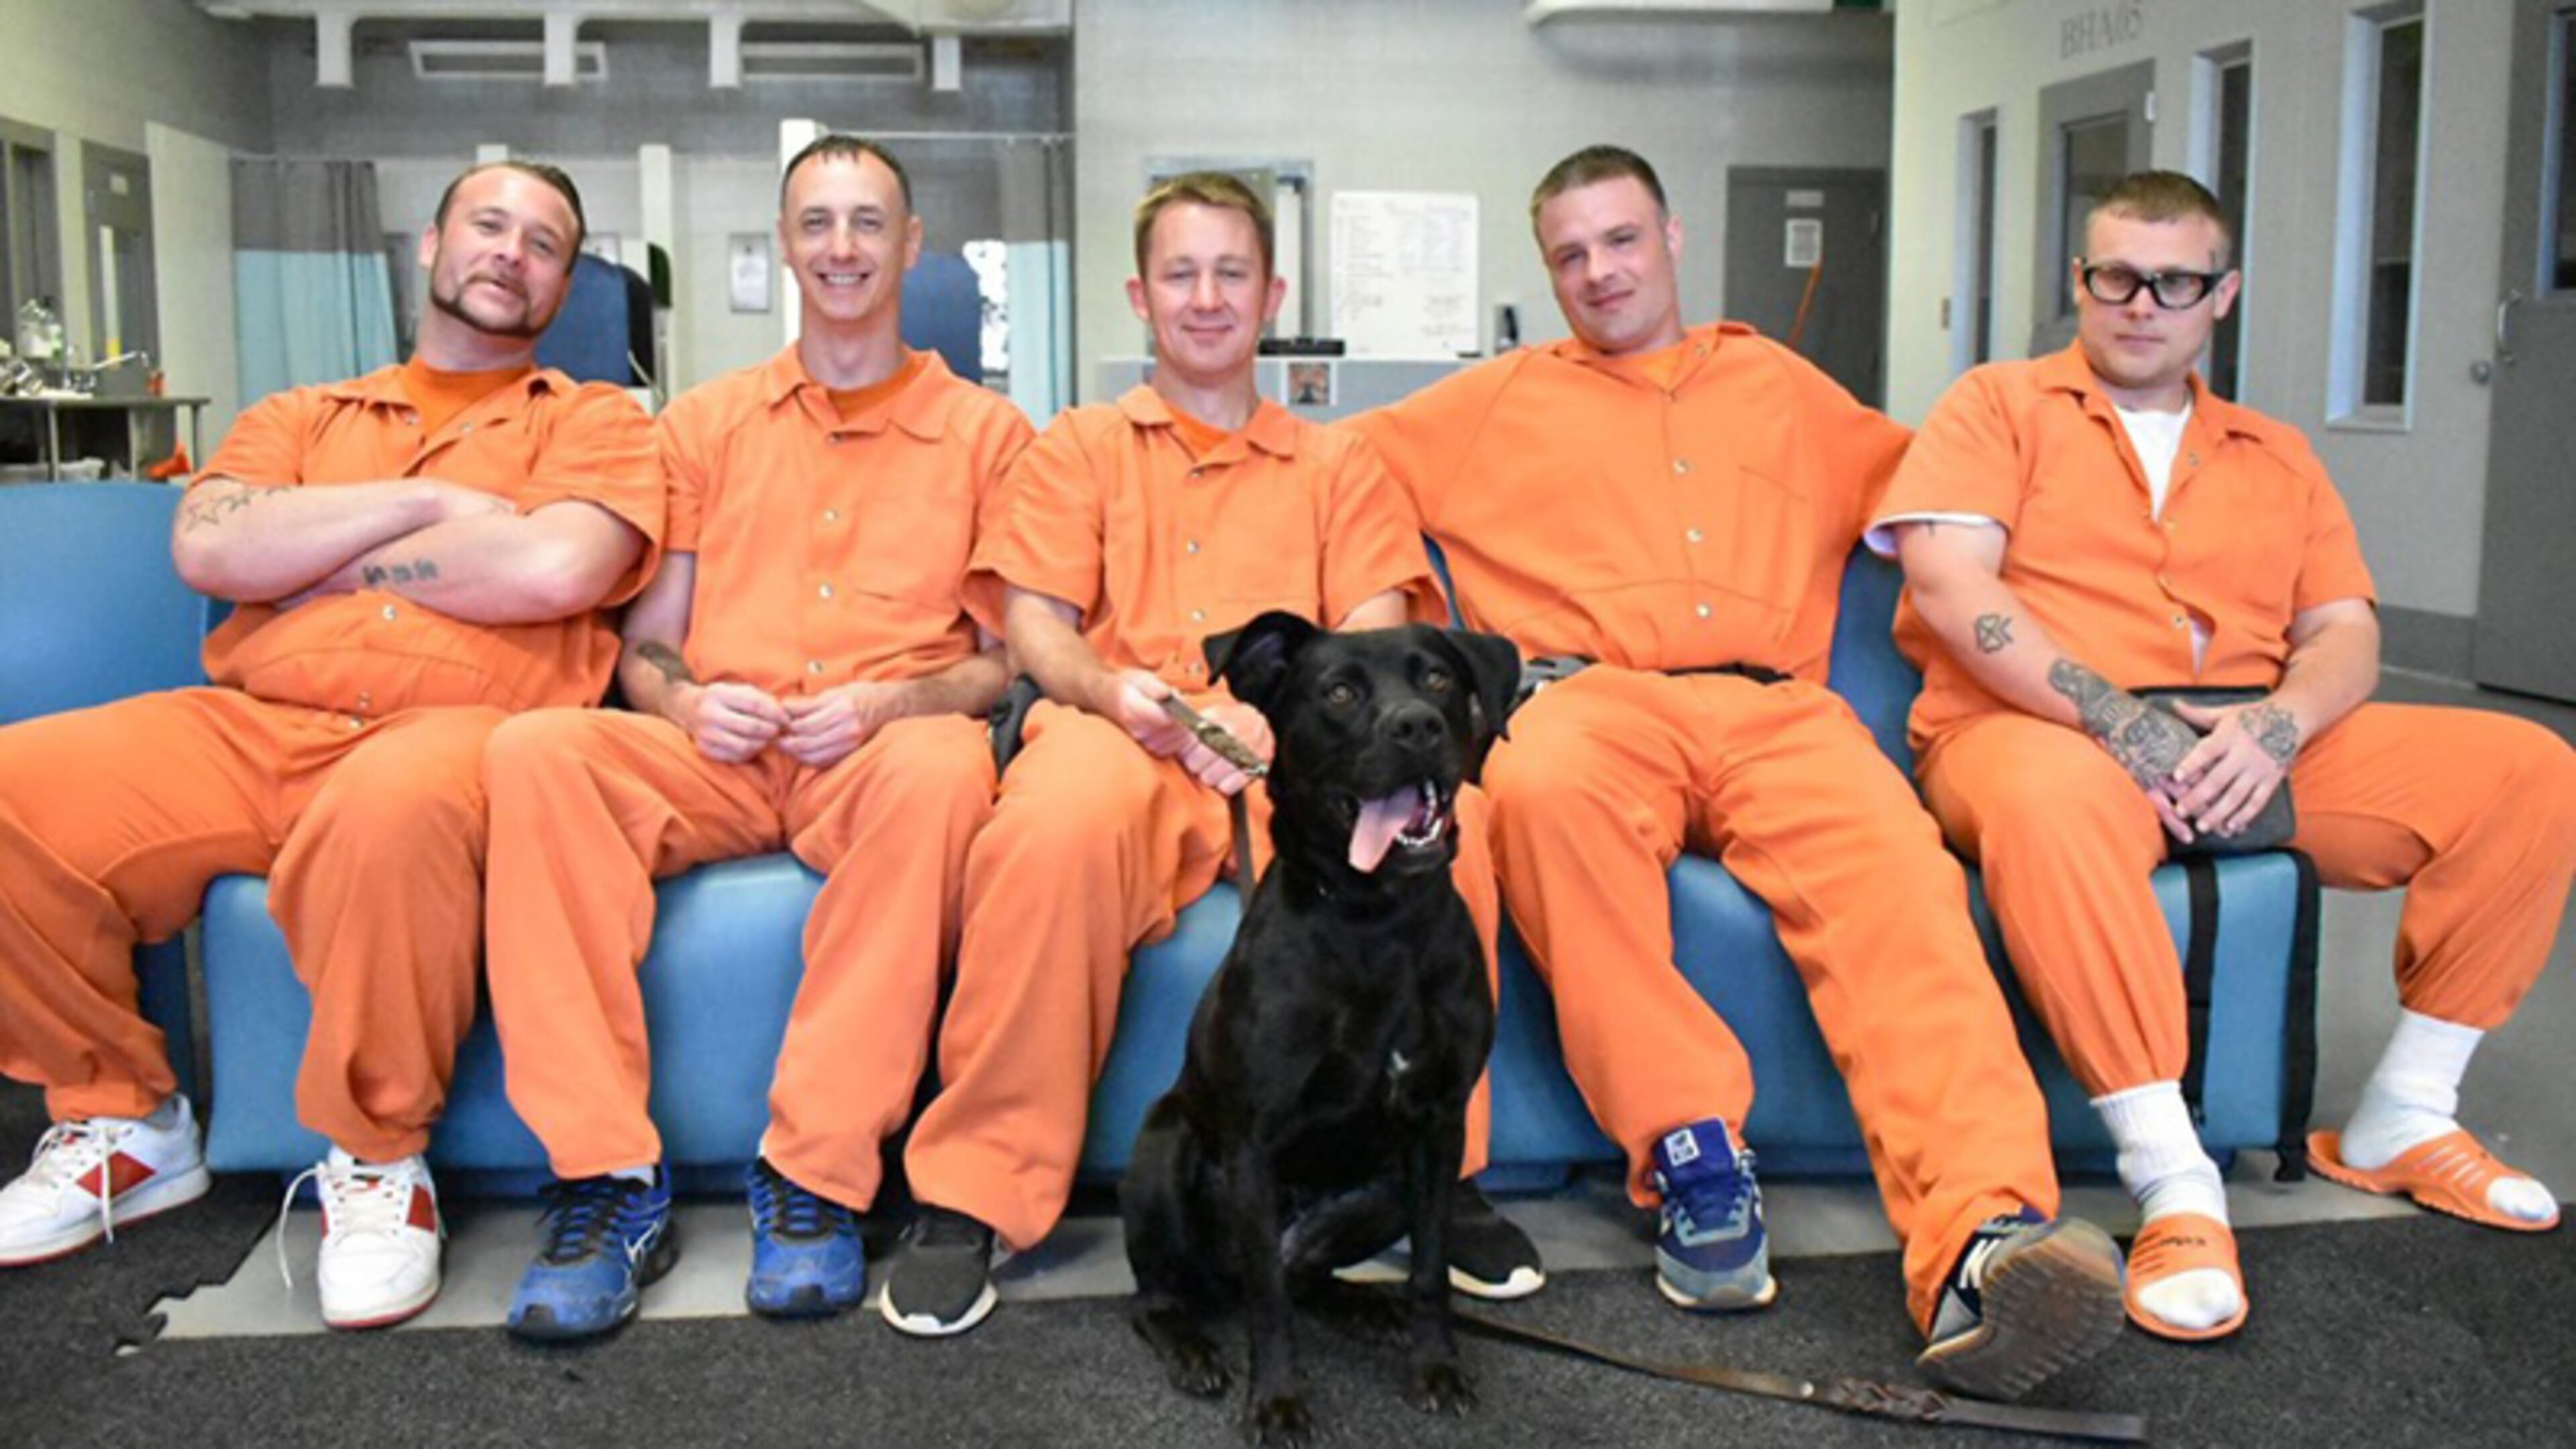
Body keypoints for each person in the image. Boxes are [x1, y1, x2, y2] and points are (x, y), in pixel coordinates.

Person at [1348, 144, 2125, 1401]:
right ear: (1547, 272)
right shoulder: (1485, 404)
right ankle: (1694, 1151)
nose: (1601, 271)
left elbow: (1952, 489)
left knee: (1902, 880)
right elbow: (1325, 473)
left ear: (1672, 239)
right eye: (1570, 254)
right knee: (1538, 794)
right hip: (1589, 706)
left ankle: (1983, 1242)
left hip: (1781, 714)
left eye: (1621, 240)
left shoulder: (1784, 386)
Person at [1876, 170, 2576, 1343]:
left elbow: (2346, 631)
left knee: (2528, 769)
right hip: (2036, 732)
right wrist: (2119, 721)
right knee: (2051, 803)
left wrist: (2278, 725)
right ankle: (2175, 1182)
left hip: (2240, 739)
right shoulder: (1997, 405)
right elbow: (1952, 588)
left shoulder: (2276, 454)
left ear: (2223, 294)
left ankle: (2404, 1115)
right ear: (2080, 282)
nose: (2141, 305)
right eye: (2115, 277)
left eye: (2175, 282)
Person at [0, 162, 661, 1330]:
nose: (511, 254)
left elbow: (557, 568)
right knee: (17, 789)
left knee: (392, 805)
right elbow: (211, 551)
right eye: (490, 225)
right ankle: (122, 1117)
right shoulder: (301, 416)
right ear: (432, 244)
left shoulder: (594, 420)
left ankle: (379, 1158)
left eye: (544, 244)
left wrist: (316, 553)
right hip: (258, 721)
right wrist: (426, 508)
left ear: (564, 285)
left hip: (456, 731)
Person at [879, 171, 1538, 1338]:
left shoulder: (1340, 465)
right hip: (1118, 735)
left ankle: (1446, 1178)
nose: (1206, 297)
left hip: (1299, 758)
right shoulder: (1078, 446)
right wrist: (1112, 692)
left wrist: (1301, 728)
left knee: (1444, 839)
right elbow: (1034, 623)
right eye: (1180, 274)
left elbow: (1378, 630)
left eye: (1232, 273)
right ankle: (973, 1194)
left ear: (1271, 295)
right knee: (1047, 833)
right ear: (1141, 296)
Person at [480, 136, 1032, 1341]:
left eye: (868, 223)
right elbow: (647, 647)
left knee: (945, 769)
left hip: (878, 752)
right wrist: (686, 704)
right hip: (720, 752)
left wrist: (892, 704)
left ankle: (816, 1175)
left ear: (911, 245)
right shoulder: (703, 424)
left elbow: (1002, 664)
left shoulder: (989, 435)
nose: (842, 248)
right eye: (817, 223)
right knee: (537, 753)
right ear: (786, 244)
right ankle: (605, 1180)